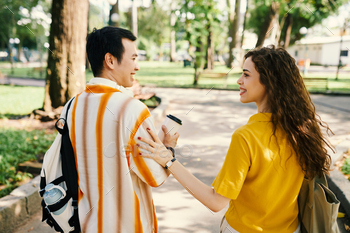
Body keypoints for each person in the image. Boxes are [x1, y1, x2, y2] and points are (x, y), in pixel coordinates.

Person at [136, 45, 334, 233]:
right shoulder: (302, 129)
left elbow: (215, 202)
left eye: (246, 75)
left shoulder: (246, 137)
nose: (239, 80)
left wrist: (168, 160)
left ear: (269, 82)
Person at [68, 26, 178, 233]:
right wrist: (168, 149)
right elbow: (155, 177)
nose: (137, 67)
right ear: (110, 60)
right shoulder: (132, 109)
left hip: (85, 224)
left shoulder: (71, 107)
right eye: (134, 58)